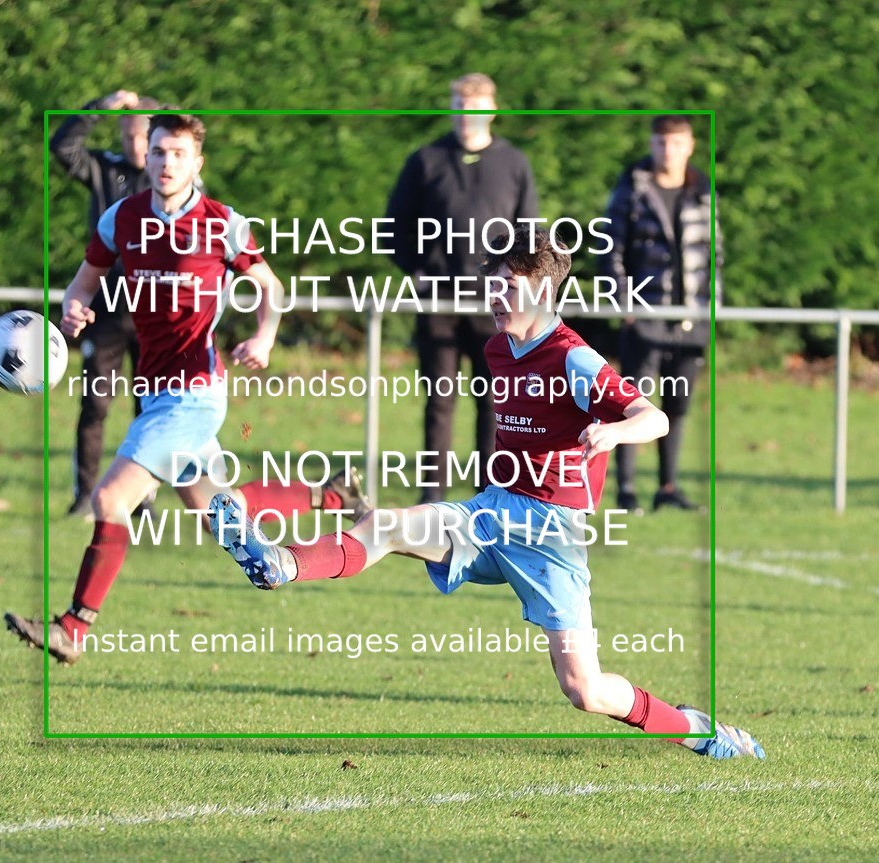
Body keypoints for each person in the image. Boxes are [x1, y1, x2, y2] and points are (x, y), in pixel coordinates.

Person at [209, 225, 764, 760]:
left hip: (551, 531)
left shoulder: (573, 356)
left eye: (509, 287)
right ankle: (280, 563)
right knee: (386, 526)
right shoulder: (500, 349)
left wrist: (616, 430)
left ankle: (697, 729)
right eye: (492, 285)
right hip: (494, 510)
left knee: (585, 690)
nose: (495, 297)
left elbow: (655, 419)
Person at [6, 113, 370, 664]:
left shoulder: (221, 224)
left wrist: (265, 338)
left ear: (197, 162)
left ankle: (73, 629)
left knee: (110, 498)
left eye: (177, 153)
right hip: (156, 392)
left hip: (194, 391)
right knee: (220, 514)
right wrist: (74, 308)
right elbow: (83, 282)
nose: (166, 163)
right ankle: (336, 495)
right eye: (157, 152)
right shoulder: (120, 218)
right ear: (145, 158)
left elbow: (272, 289)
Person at [386, 73, 538, 503]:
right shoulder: (425, 160)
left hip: (496, 305)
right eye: (457, 104)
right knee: (440, 399)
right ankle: (432, 497)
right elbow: (394, 227)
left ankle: (489, 494)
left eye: (473, 105)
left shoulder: (514, 163)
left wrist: (515, 283)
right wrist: (418, 270)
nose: (465, 115)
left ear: (491, 109)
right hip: (437, 302)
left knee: (494, 403)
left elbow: (530, 232)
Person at [602, 115, 722, 514]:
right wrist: (626, 304)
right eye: (660, 143)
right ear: (652, 145)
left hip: (691, 317)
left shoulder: (703, 192)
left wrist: (711, 306)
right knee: (632, 403)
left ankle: (668, 486)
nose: (667, 151)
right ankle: (628, 490)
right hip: (645, 316)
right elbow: (609, 250)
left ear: (689, 146)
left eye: (675, 143)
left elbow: (714, 255)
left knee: (678, 404)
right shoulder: (631, 191)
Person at [50, 90, 160, 517]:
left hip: (154, 316)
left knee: (149, 409)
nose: (136, 146)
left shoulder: (172, 181)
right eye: (129, 136)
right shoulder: (103, 170)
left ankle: (143, 499)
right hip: (107, 310)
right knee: (95, 403)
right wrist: (97, 108)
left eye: (144, 137)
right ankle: (83, 496)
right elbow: (62, 147)